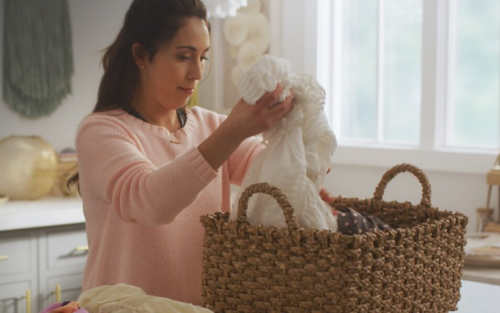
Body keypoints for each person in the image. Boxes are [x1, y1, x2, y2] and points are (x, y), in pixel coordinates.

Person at [70, 0, 293, 306]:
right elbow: (148, 201)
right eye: (184, 57)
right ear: (141, 56)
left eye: (203, 58)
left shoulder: (210, 125)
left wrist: (303, 170)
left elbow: (269, 168)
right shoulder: (100, 131)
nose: (197, 72)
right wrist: (232, 131)